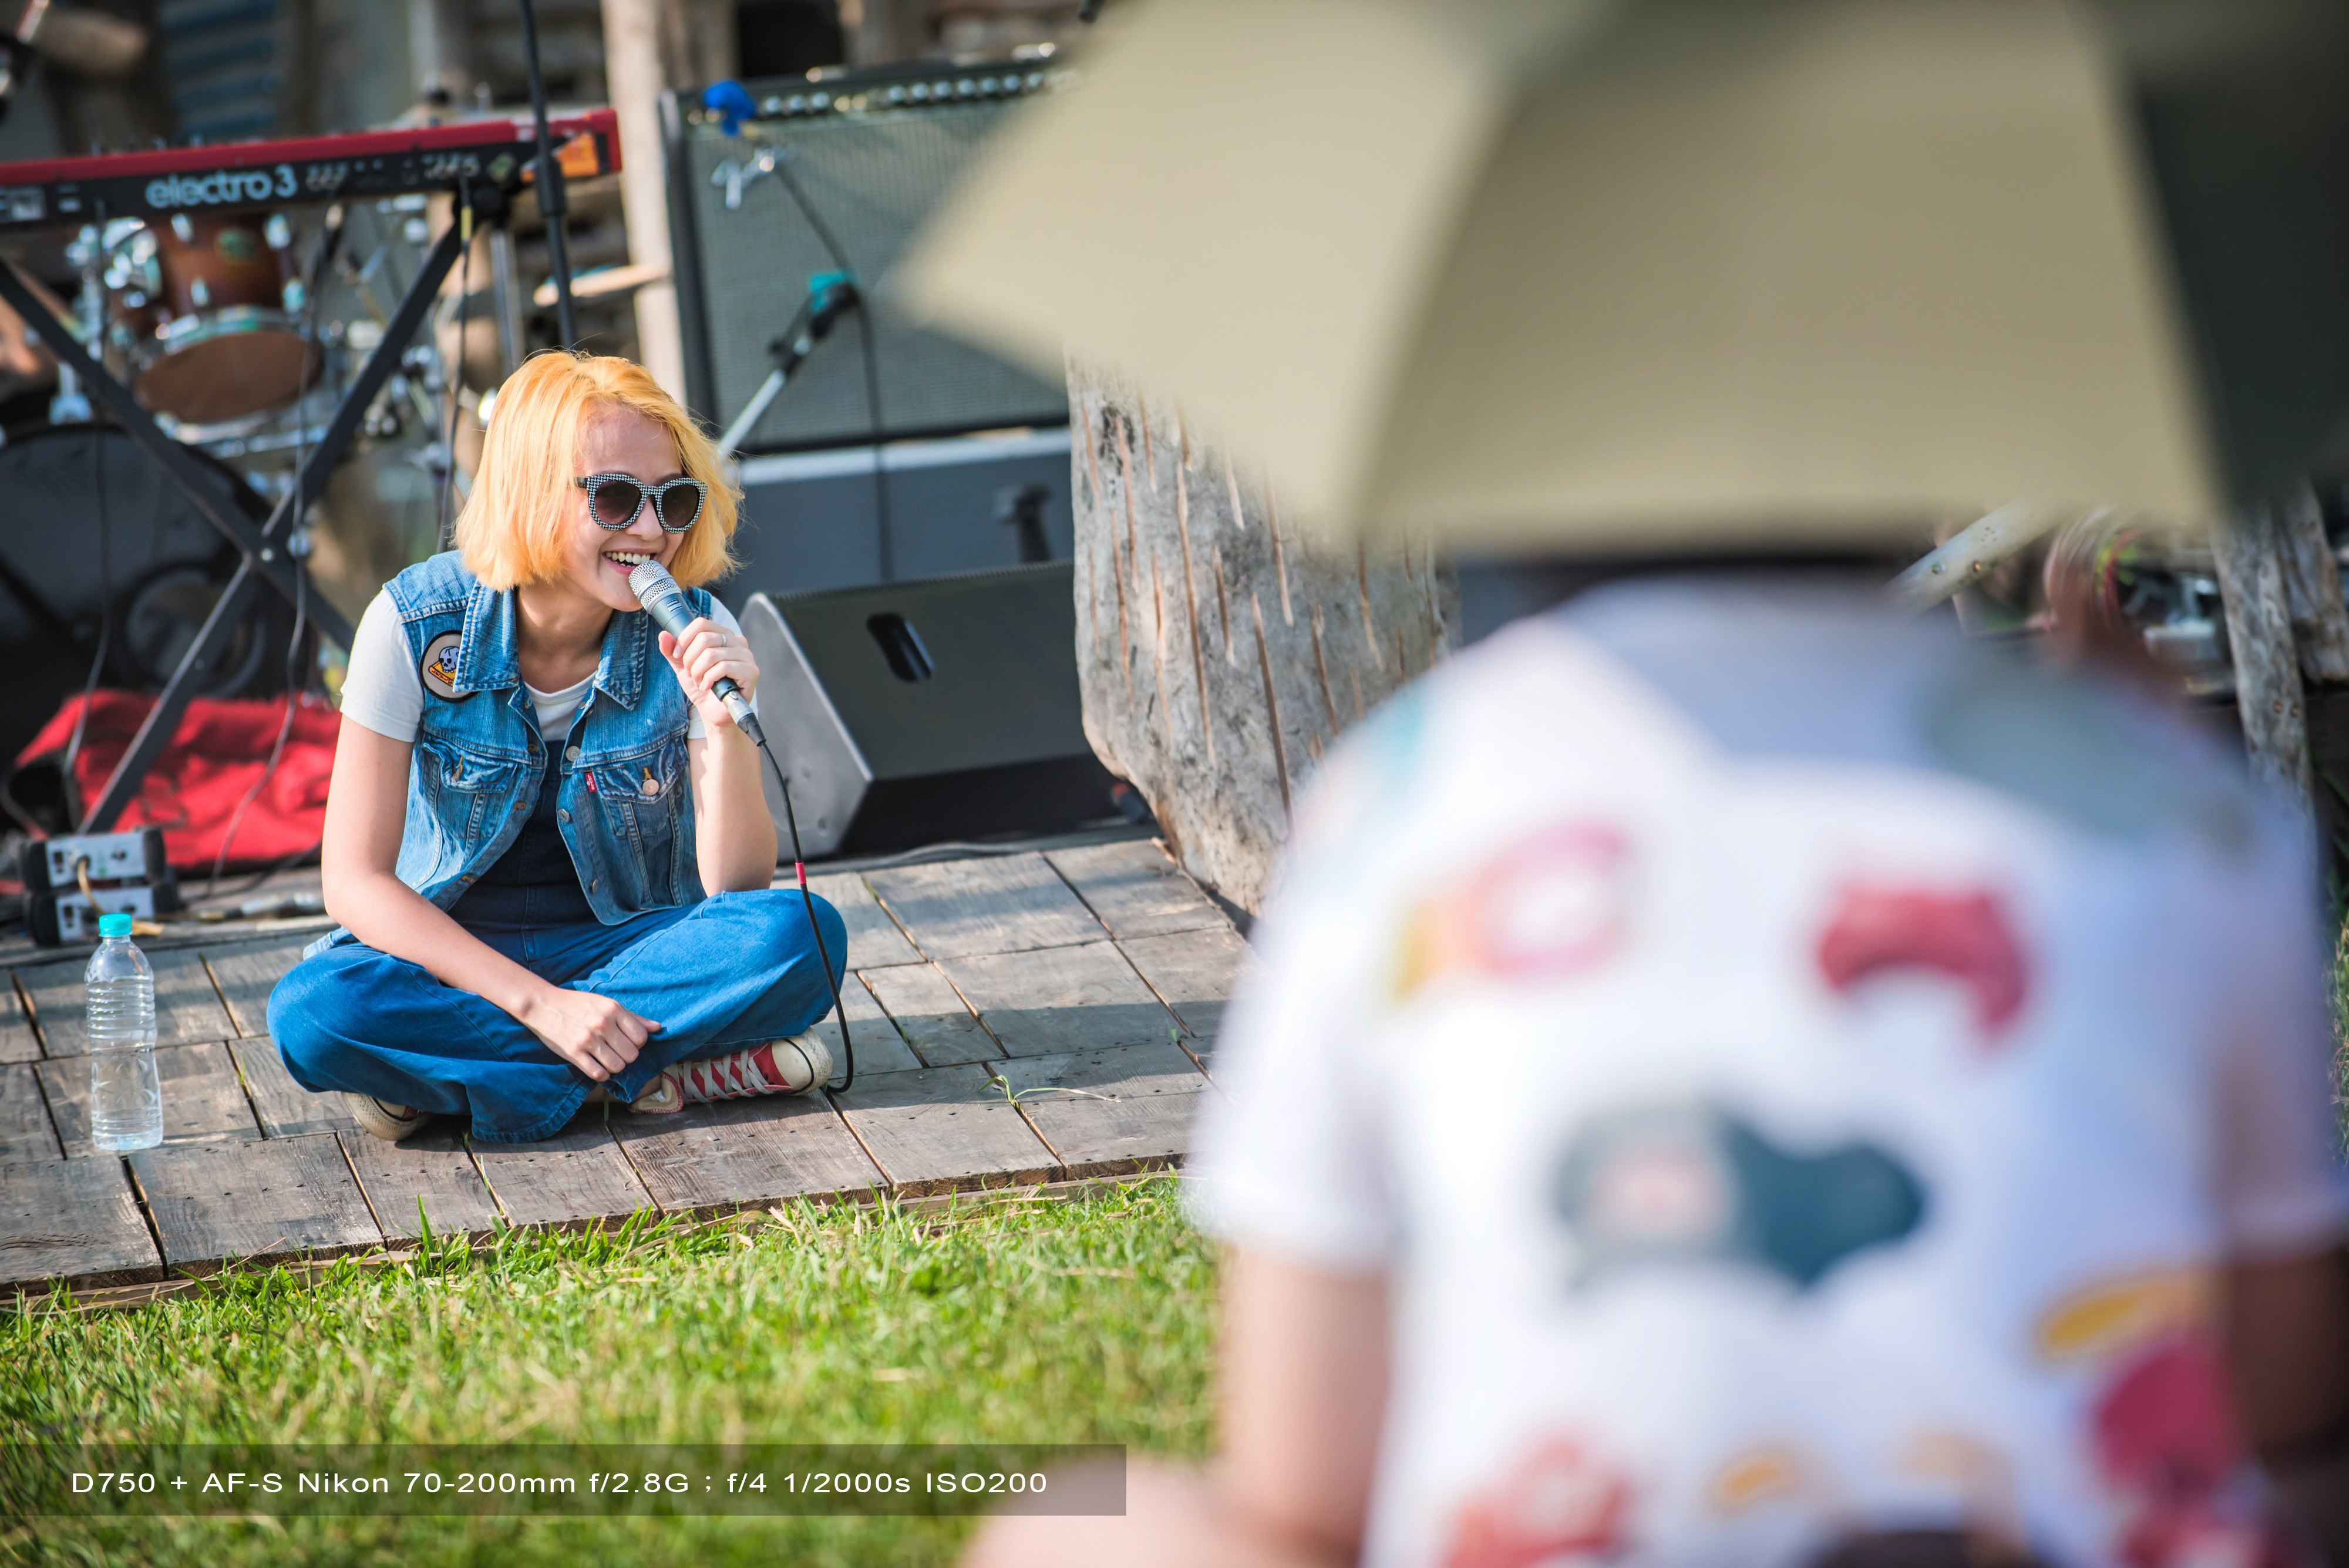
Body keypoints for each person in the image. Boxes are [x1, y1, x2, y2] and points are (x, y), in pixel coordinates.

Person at [967, 561, 2349, 1568]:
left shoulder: (1403, 790)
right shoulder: (2177, 806)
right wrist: (2140, 758)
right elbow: (2286, 1403)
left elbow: (1304, 1478)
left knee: (1072, 1531)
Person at [269, 351, 845, 1145]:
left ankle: (460, 1084)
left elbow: (735, 890)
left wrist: (723, 729)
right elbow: (354, 882)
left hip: (628, 945)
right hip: (456, 957)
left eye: (675, 499)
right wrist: (541, 1005)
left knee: (802, 934)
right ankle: (656, 1071)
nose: (652, 530)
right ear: (532, 493)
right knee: (315, 1011)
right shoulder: (410, 624)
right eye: (616, 498)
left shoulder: (698, 626)